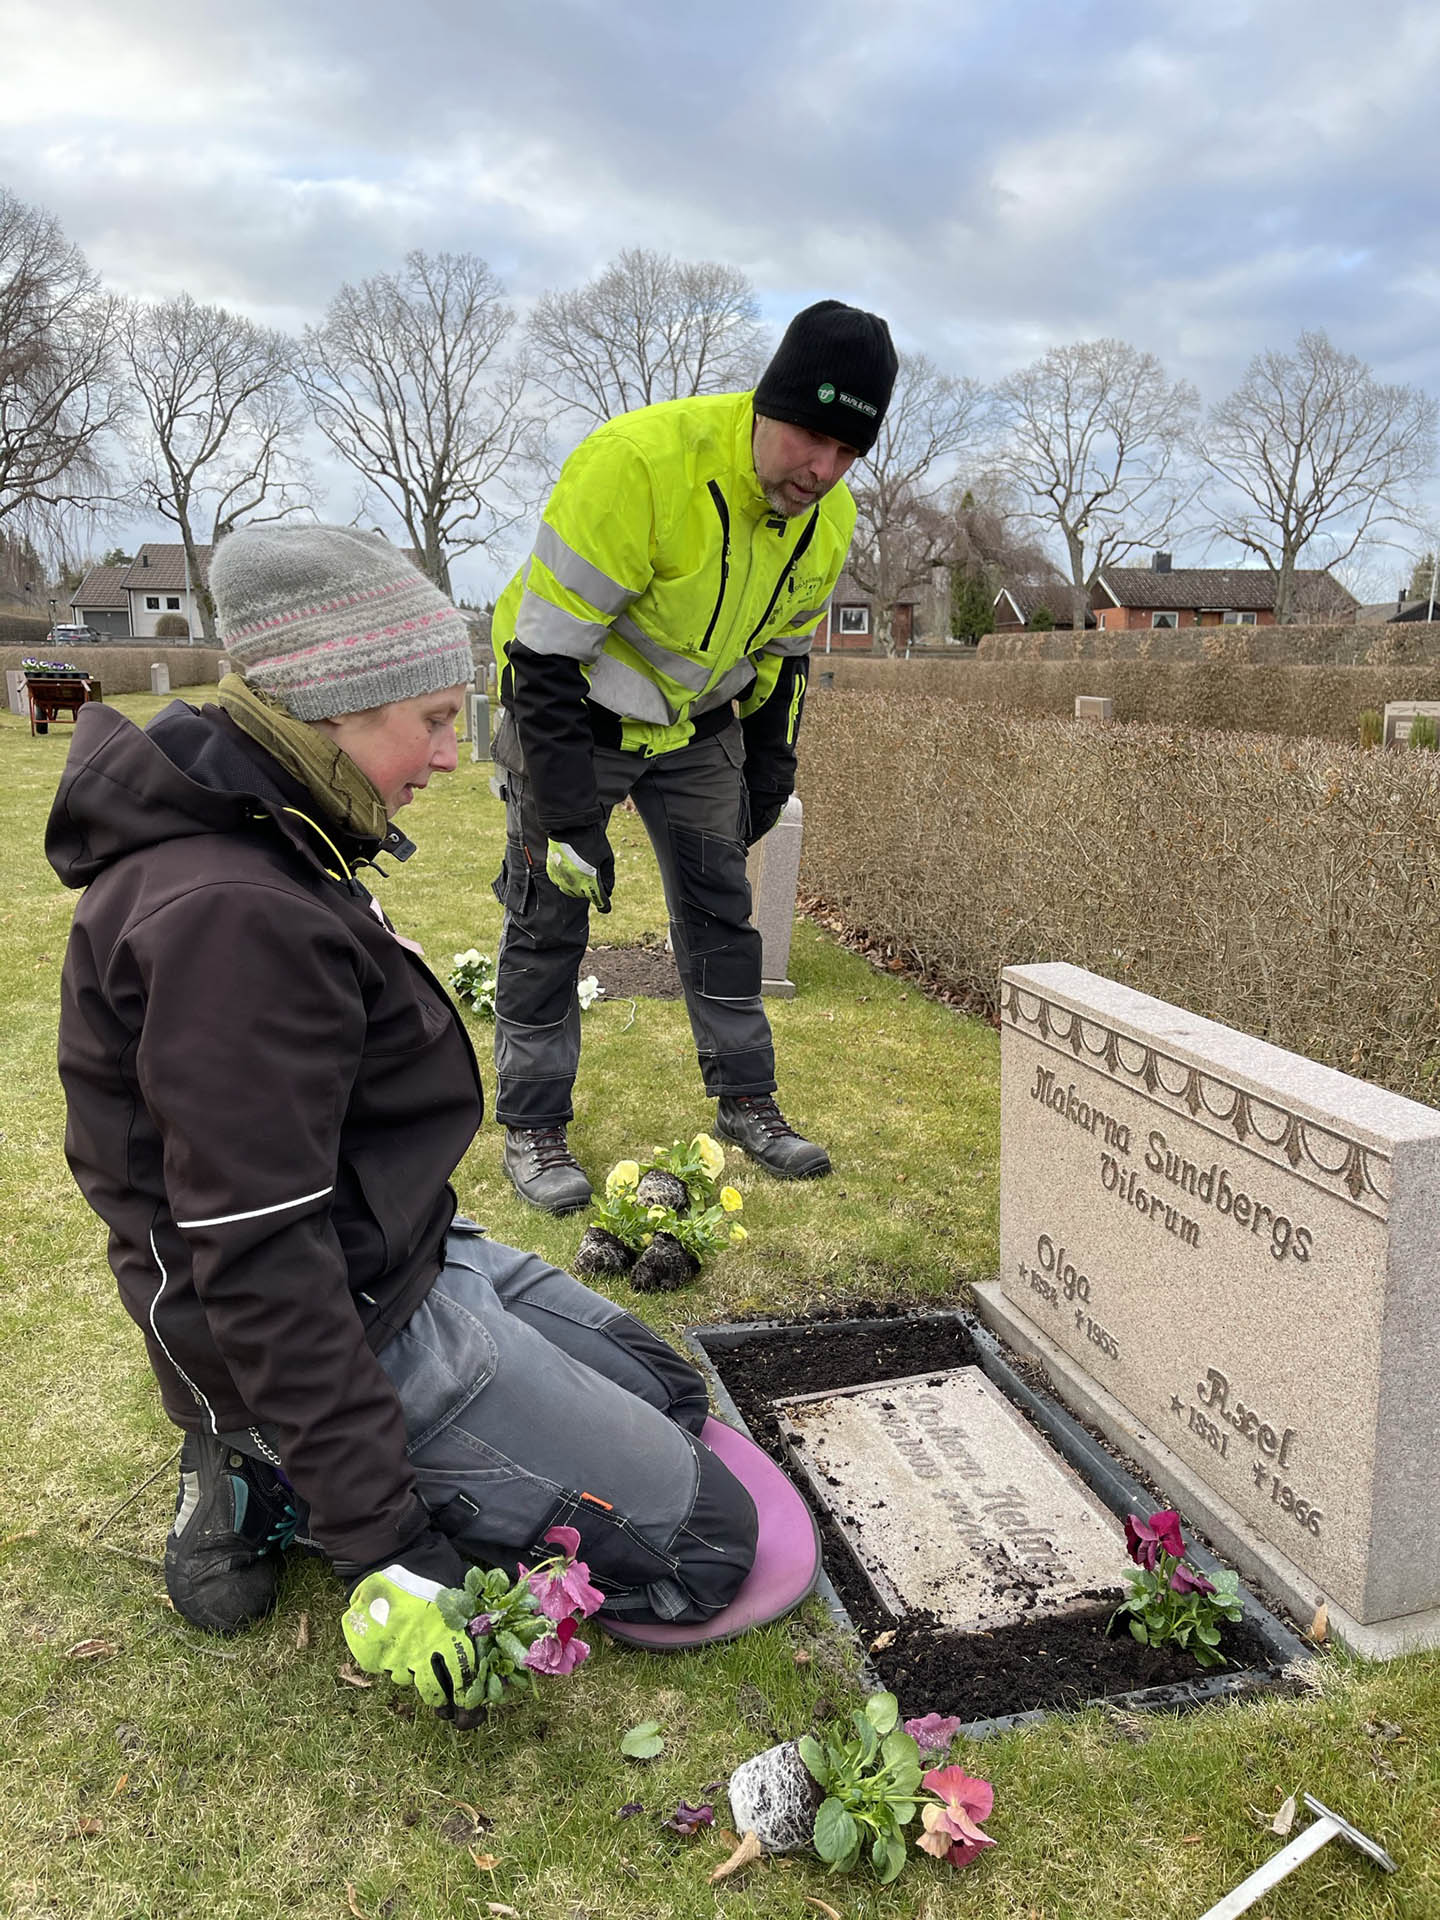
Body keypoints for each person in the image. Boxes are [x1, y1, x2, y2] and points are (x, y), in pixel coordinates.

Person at [47, 526, 757, 1715]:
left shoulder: (272, 820)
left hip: (399, 1255)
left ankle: (304, 1448)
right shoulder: (232, 917)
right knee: (702, 1547)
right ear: (333, 705)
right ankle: (264, 1465)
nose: (446, 755)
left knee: (667, 1387)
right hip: (339, 1314)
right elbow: (264, 1261)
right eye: (430, 718)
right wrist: (386, 1547)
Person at [489, 299, 898, 1213]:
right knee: (548, 916)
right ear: (766, 403)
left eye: (849, 453)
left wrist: (769, 768)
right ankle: (533, 1123)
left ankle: (748, 1101)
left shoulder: (827, 520)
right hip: (575, 715)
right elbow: (545, 655)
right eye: (808, 438)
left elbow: (785, 660)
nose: (823, 470)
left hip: (696, 726)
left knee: (723, 911)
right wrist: (566, 816)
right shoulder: (635, 465)